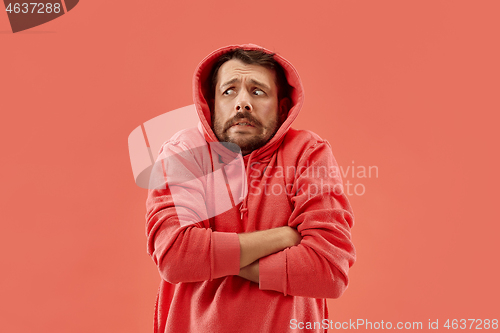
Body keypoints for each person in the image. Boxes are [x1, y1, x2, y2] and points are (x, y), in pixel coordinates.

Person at [145, 44, 356, 333]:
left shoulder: (309, 153)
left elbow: (328, 270)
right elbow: (175, 256)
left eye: (257, 92)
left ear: (282, 108)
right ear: (211, 103)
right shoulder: (183, 152)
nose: (242, 103)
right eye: (229, 91)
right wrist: (284, 236)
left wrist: (210, 259)